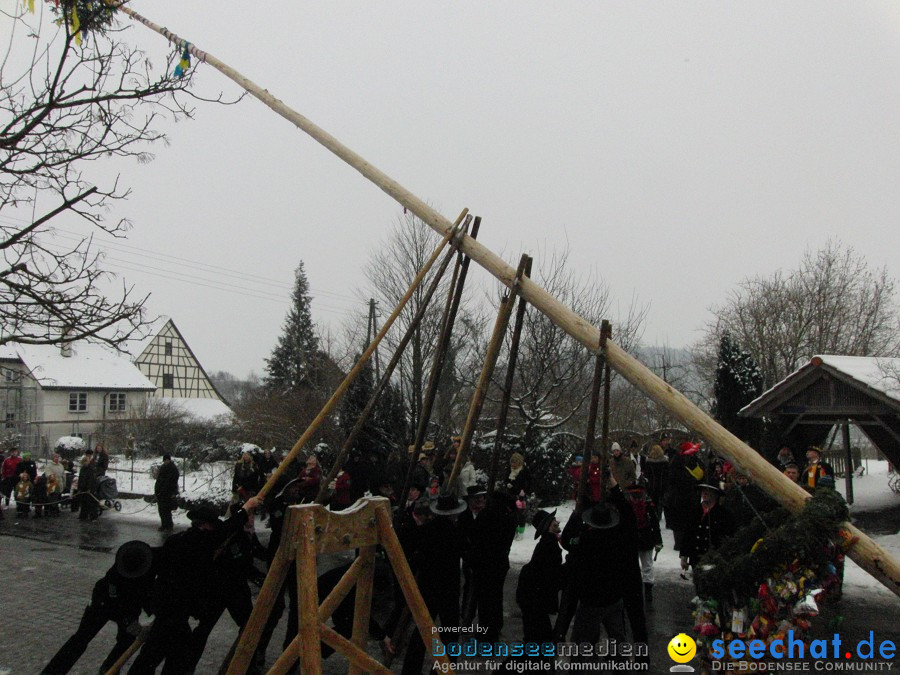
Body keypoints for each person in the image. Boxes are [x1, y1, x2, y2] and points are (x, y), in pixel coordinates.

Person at [127, 496, 262, 673]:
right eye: (212, 525)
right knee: (163, 654)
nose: (214, 529)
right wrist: (246, 507)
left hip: (170, 609)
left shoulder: (179, 540)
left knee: (167, 653)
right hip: (174, 609)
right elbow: (224, 530)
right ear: (204, 525)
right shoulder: (198, 542)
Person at [42, 540, 157, 674]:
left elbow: (147, 591)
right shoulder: (115, 577)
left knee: (126, 640)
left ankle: (109, 669)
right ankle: (53, 672)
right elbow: (116, 602)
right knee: (81, 639)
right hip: (102, 603)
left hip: (130, 604)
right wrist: (127, 620)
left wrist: (154, 612)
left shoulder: (150, 561)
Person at [559, 483, 640, 664]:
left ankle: (580, 666)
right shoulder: (617, 538)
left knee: (581, 640)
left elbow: (569, 544)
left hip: (592, 599)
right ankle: (619, 663)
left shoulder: (587, 541)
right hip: (613, 597)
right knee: (617, 637)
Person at [399, 494, 466, 675]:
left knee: (423, 630)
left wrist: (421, 562)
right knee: (450, 632)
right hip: (448, 589)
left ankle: (411, 669)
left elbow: (412, 551)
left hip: (428, 586)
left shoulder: (426, 530)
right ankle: (443, 669)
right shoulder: (456, 532)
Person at [457, 483, 515, 643]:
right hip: (496, 564)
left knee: (486, 600)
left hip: (485, 565)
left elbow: (476, 536)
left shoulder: (488, 516)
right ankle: (491, 628)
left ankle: (486, 632)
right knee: (493, 597)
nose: (483, 500)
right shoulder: (507, 518)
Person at [515, 509, 562, 650]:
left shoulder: (549, 542)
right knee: (538, 637)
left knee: (537, 635)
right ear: (547, 526)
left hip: (533, 598)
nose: (557, 521)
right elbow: (548, 574)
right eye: (553, 520)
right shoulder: (549, 544)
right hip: (534, 599)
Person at [623, 483, 662, 605]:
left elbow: (655, 524)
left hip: (646, 539)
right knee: (631, 566)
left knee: (647, 566)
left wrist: (658, 541)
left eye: (638, 494)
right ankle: (631, 590)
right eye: (634, 494)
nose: (637, 497)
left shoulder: (649, 506)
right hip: (631, 540)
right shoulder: (626, 507)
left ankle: (647, 590)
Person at [663, 441, 705, 550]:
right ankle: (680, 544)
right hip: (679, 498)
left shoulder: (692, 462)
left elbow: (700, 476)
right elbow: (676, 479)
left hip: (689, 497)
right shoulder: (677, 463)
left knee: (687, 522)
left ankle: (685, 543)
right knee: (680, 524)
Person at [680, 484, 730, 570]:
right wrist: (684, 556)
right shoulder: (695, 510)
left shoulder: (724, 514)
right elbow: (687, 534)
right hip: (695, 557)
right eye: (703, 491)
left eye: (709, 491)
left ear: (716, 495)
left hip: (714, 559)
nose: (705, 493)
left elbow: (727, 538)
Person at [641, 443, 669, 518]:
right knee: (661, 502)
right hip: (662, 485)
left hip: (651, 485)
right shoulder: (665, 462)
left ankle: (654, 515)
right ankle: (659, 515)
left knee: (653, 502)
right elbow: (667, 474)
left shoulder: (649, 462)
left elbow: (646, 474)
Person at [154, 453, 179, 531]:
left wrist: (173, 492)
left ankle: (169, 525)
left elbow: (172, 481)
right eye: (165, 460)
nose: (166, 461)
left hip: (168, 493)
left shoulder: (173, 468)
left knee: (167, 510)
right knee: (161, 510)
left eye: (167, 460)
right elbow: (159, 480)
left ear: (169, 460)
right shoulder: (163, 467)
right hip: (161, 493)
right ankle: (164, 524)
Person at [77, 449, 99, 521]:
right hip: (83, 487)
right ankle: (83, 515)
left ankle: (93, 516)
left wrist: (89, 488)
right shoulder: (83, 468)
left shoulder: (91, 468)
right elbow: (81, 478)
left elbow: (91, 479)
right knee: (84, 502)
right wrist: (80, 487)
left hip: (89, 488)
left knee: (91, 503)